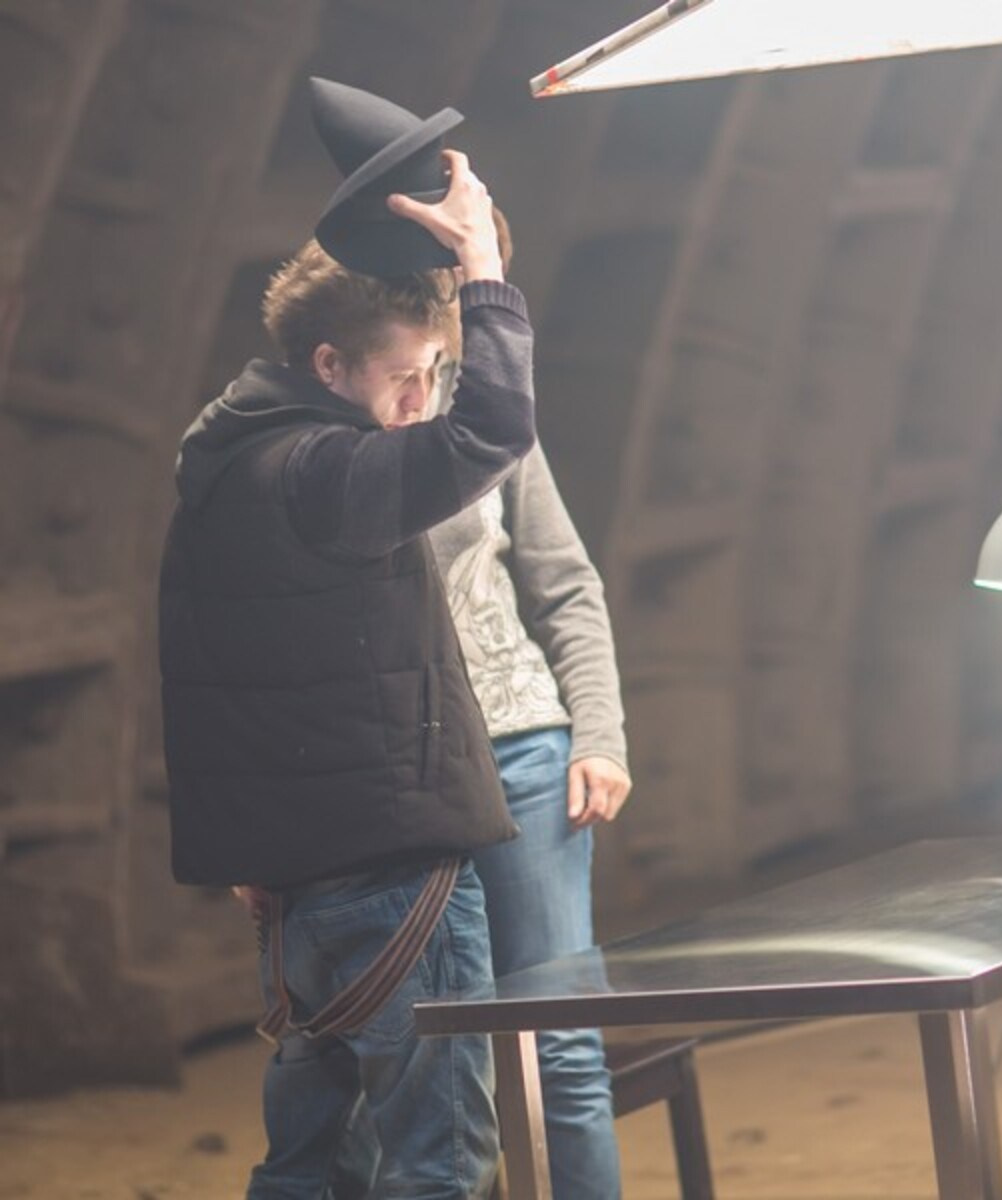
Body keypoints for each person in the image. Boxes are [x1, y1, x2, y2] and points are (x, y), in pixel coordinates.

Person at [159, 79, 530, 1198]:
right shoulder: (327, 470)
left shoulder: (225, 465)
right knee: (439, 1168)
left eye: (433, 375)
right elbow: (494, 430)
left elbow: (221, 682)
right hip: (393, 882)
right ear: (329, 366)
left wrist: (256, 850)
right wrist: (481, 267)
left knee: (312, 1171)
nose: (420, 401)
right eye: (404, 377)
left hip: (298, 895)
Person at [326, 205, 635, 1200]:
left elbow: (566, 583)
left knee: (563, 1043)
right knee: (401, 1058)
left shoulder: (482, 406)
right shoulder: (329, 422)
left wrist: (599, 733)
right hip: (398, 774)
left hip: (523, 751)